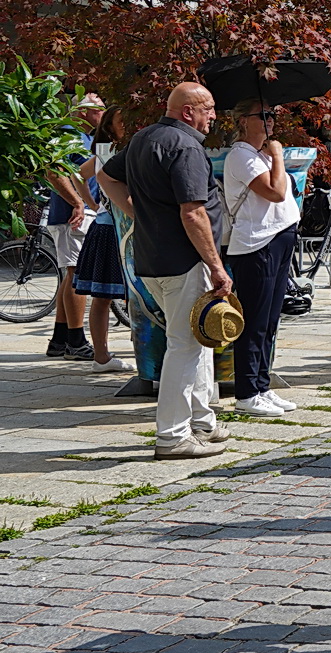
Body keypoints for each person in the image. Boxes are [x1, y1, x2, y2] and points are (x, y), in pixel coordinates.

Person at [97, 82, 231, 460]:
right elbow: (193, 213)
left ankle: (202, 422)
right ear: (188, 111)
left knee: (197, 339)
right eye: (208, 108)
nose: (213, 116)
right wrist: (216, 267)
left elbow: (105, 176)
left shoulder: (144, 137)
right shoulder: (186, 146)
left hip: (152, 258)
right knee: (184, 346)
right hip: (184, 260)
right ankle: (172, 436)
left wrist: (137, 213)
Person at [224, 99, 301, 418]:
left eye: (272, 115)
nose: (270, 120)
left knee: (270, 320)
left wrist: (273, 156)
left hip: (279, 236)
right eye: (263, 115)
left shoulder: (259, 154)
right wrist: (279, 156)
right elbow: (275, 192)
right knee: (254, 320)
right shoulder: (241, 155)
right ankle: (246, 392)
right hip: (257, 243)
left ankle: (261, 385)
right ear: (243, 120)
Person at [42, 92, 105, 361]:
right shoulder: (68, 135)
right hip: (72, 215)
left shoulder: (86, 137)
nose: (103, 114)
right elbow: (54, 172)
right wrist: (78, 202)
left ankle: (60, 339)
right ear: (83, 112)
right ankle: (76, 341)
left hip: (79, 212)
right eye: (99, 110)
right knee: (76, 274)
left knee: (71, 275)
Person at [72, 106, 133, 374]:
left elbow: (78, 175)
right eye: (123, 122)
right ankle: (102, 355)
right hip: (111, 228)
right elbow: (77, 175)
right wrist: (93, 204)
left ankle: (133, 350)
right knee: (104, 296)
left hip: (119, 226)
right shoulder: (108, 153)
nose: (128, 125)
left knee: (129, 295)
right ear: (110, 128)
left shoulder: (115, 151)